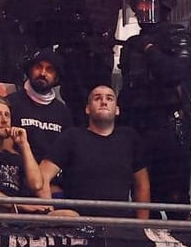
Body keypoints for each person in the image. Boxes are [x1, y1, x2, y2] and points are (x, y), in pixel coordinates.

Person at [117, 0, 191, 210]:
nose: (141, 9)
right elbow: (128, 88)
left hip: (168, 129)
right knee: (142, 198)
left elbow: (175, 74)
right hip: (137, 128)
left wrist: (151, 50)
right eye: (137, 4)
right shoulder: (131, 44)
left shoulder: (176, 35)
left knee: (174, 201)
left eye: (146, 3)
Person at [40, 86, 151, 219]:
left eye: (109, 98)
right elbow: (42, 176)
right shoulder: (72, 136)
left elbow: (142, 185)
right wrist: (48, 214)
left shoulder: (129, 138)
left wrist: (142, 227)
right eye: (97, 98)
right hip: (78, 228)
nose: (103, 102)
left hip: (118, 227)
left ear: (117, 110)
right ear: (87, 108)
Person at [5, 49, 74, 166]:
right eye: (38, 67)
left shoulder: (63, 112)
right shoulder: (10, 103)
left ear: (56, 78)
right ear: (30, 71)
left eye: (49, 70)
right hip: (17, 171)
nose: (42, 73)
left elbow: (66, 152)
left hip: (53, 176)